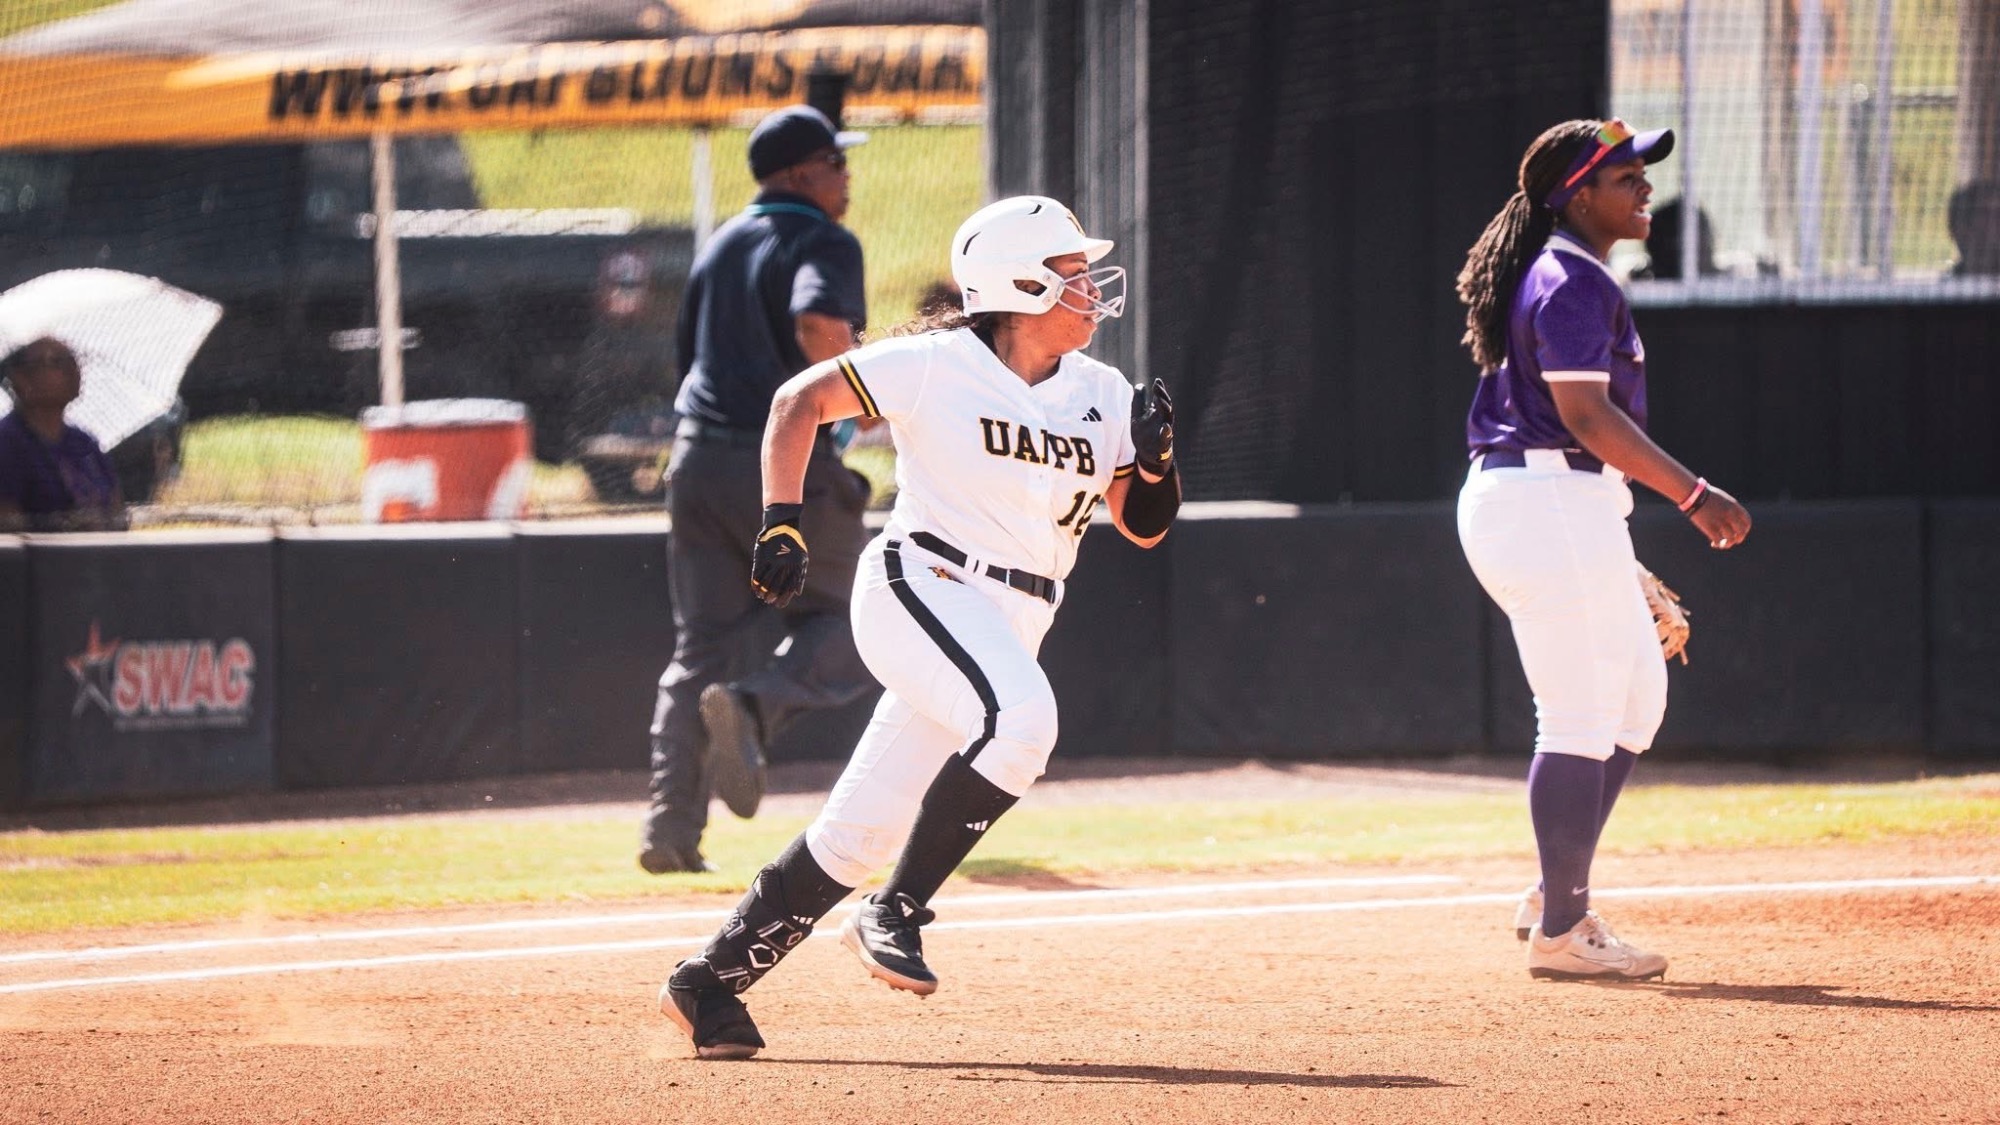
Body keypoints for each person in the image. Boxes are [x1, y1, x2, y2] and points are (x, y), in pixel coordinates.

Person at [657, 195, 1180, 1059]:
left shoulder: (1101, 392)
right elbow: (797, 401)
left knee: (858, 830)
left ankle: (708, 984)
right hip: (925, 583)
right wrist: (781, 520)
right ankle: (896, 910)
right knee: (1023, 722)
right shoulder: (938, 363)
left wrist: (1157, 465)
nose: (1091, 289)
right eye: (1070, 274)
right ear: (1018, 285)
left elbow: (1143, 524)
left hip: (1015, 617)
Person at [1452, 119, 1752, 981]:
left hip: (1560, 500)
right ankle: (1563, 929)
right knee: (1580, 715)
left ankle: (1553, 891)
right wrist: (1693, 493)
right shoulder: (1572, 280)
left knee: (1636, 701)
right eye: (1625, 176)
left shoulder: (1567, 272)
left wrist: (1608, 541)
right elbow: (1585, 415)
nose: (1644, 187)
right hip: (1545, 497)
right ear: (1578, 196)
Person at [637, 105, 880, 876]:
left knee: (699, 649)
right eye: (836, 163)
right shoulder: (824, 239)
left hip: (698, 461)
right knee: (863, 620)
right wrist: (860, 398)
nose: (846, 176)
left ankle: (669, 831)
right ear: (802, 175)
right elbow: (817, 321)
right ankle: (754, 703)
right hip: (785, 464)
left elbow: (687, 361)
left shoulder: (721, 244)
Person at [0, 336, 127, 533]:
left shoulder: (84, 443)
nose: (73, 370)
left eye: (74, 359)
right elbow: (8, 527)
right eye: (56, 361)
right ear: (21, 379)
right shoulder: (8, 445)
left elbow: (117, 509)